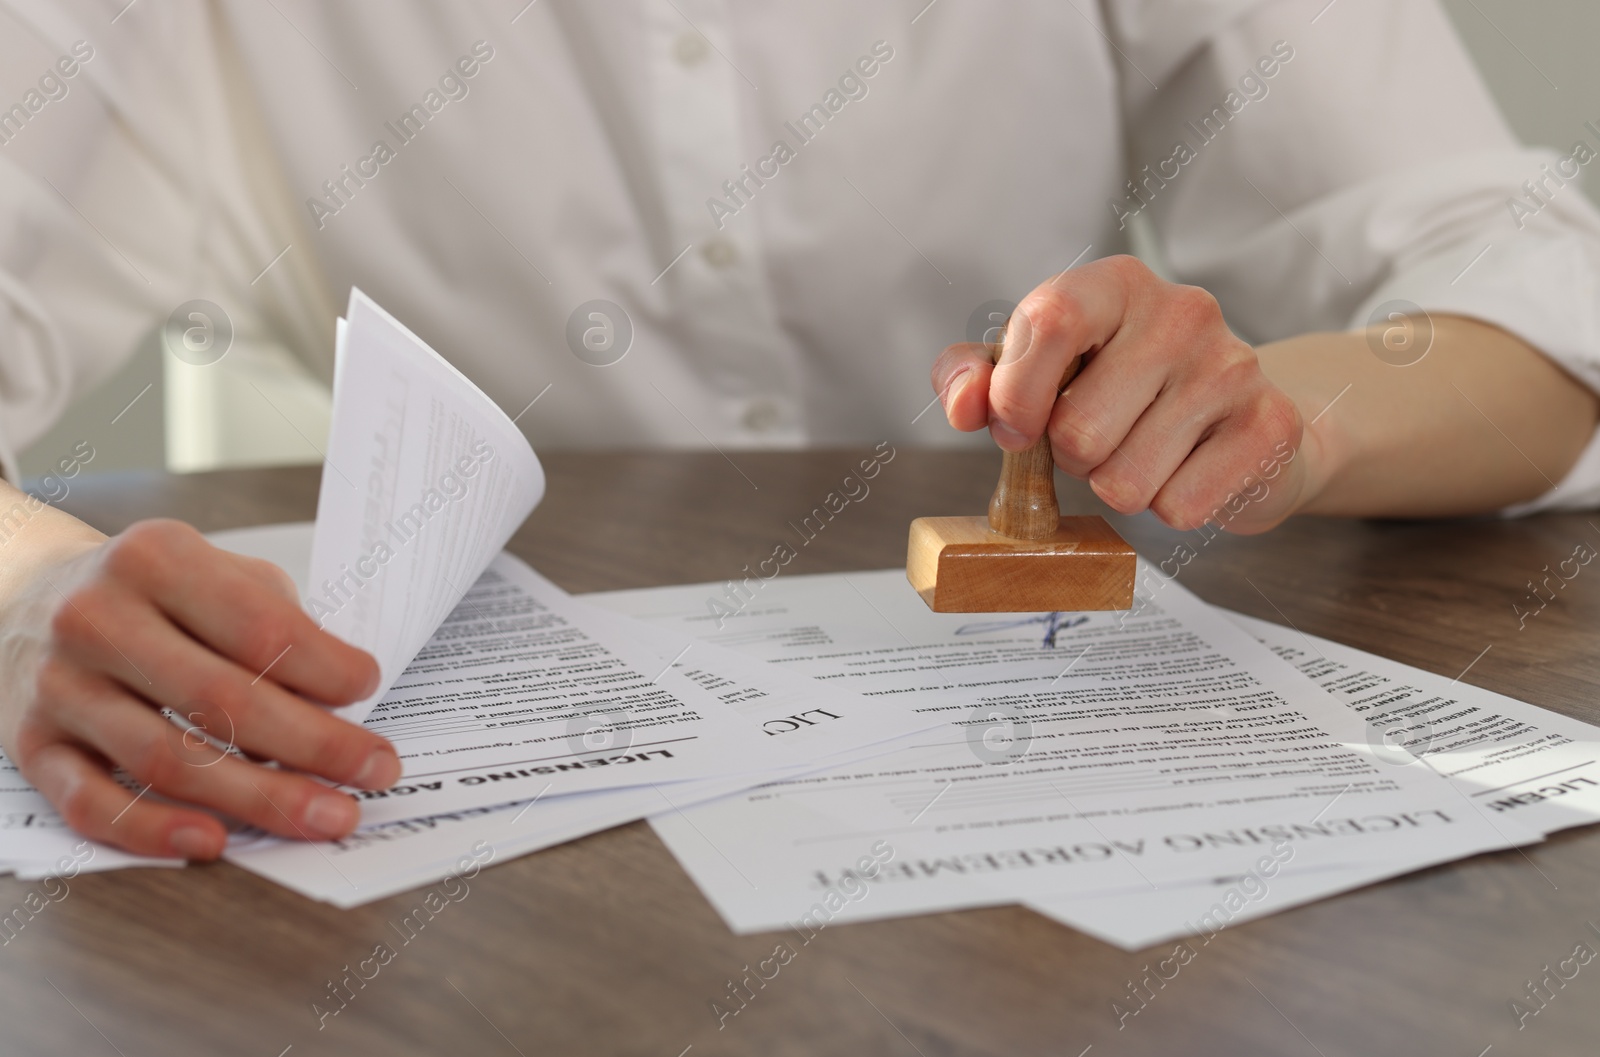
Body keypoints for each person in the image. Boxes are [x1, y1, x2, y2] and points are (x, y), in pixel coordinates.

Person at [1, 0, 1597, 859]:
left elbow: (1531, 297)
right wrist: (28, 594)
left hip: (1020, 819)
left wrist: (1294, 421)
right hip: (507, 857)